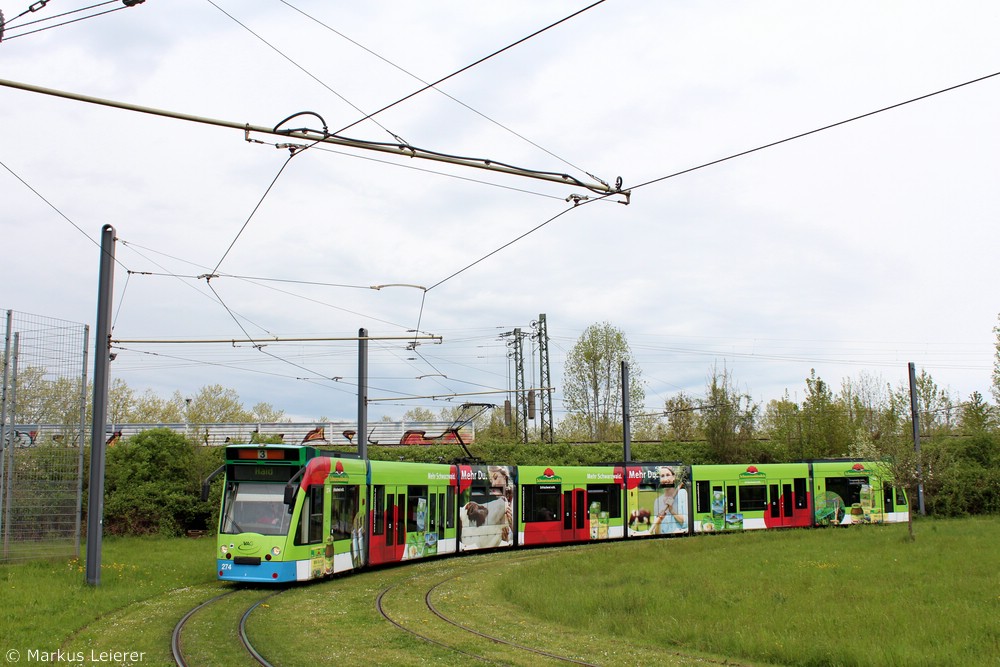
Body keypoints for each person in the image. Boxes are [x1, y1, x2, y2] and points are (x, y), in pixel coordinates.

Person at [652, 466, 687, 534]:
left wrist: (672, 511)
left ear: (673, 477)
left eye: (668, 475)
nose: (665, 479)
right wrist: (659, 521)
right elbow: (656, 533)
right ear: (660, 480)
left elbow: (687, 523)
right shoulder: (657, 501)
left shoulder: (682, 494)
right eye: (662, 476)